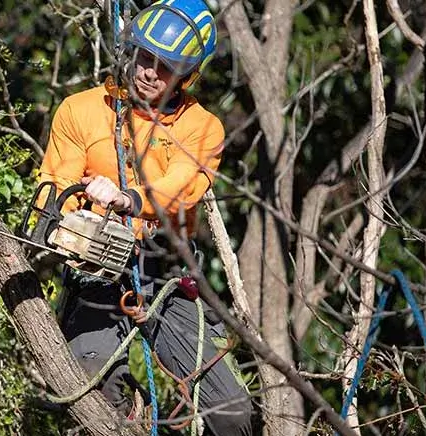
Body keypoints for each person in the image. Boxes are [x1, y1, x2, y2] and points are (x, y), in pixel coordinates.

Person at [37, 1, 252, 434]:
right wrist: (79, 218)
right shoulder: (81, 110)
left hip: (163, 272)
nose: (148, 72)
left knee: (231, 414)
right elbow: (57, 187)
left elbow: (181, 184)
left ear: (186, 77)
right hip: (94, 270)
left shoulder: (202, 128)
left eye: (165, 66)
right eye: (144, 57)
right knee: (93, 389)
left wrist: (129, 199)